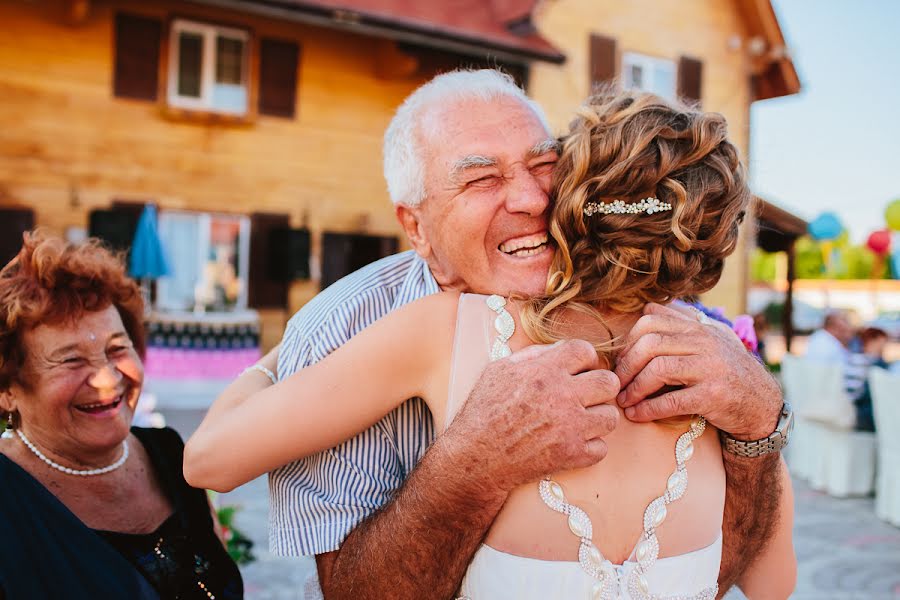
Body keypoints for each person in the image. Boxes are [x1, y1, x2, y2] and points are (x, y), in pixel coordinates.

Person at [186, 86, 794, 598]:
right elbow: (772, 585)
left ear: (579, 184)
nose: (528, 199)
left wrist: (268, 365)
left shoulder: (727, 376)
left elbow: (207, 459)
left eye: (542, 166)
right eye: (481, 179)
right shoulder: (718, 360)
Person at [0, 233, 243, 599]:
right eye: (71, 360)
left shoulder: (170, 454)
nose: (107, 379)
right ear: (7, 390)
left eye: (117, 349)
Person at [846, 327, 890, 432]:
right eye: (882, 342)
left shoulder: (853, 358)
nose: (884, 346)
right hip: (864, 412)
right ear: (873, 341)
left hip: (859, 410)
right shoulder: (870, 362)